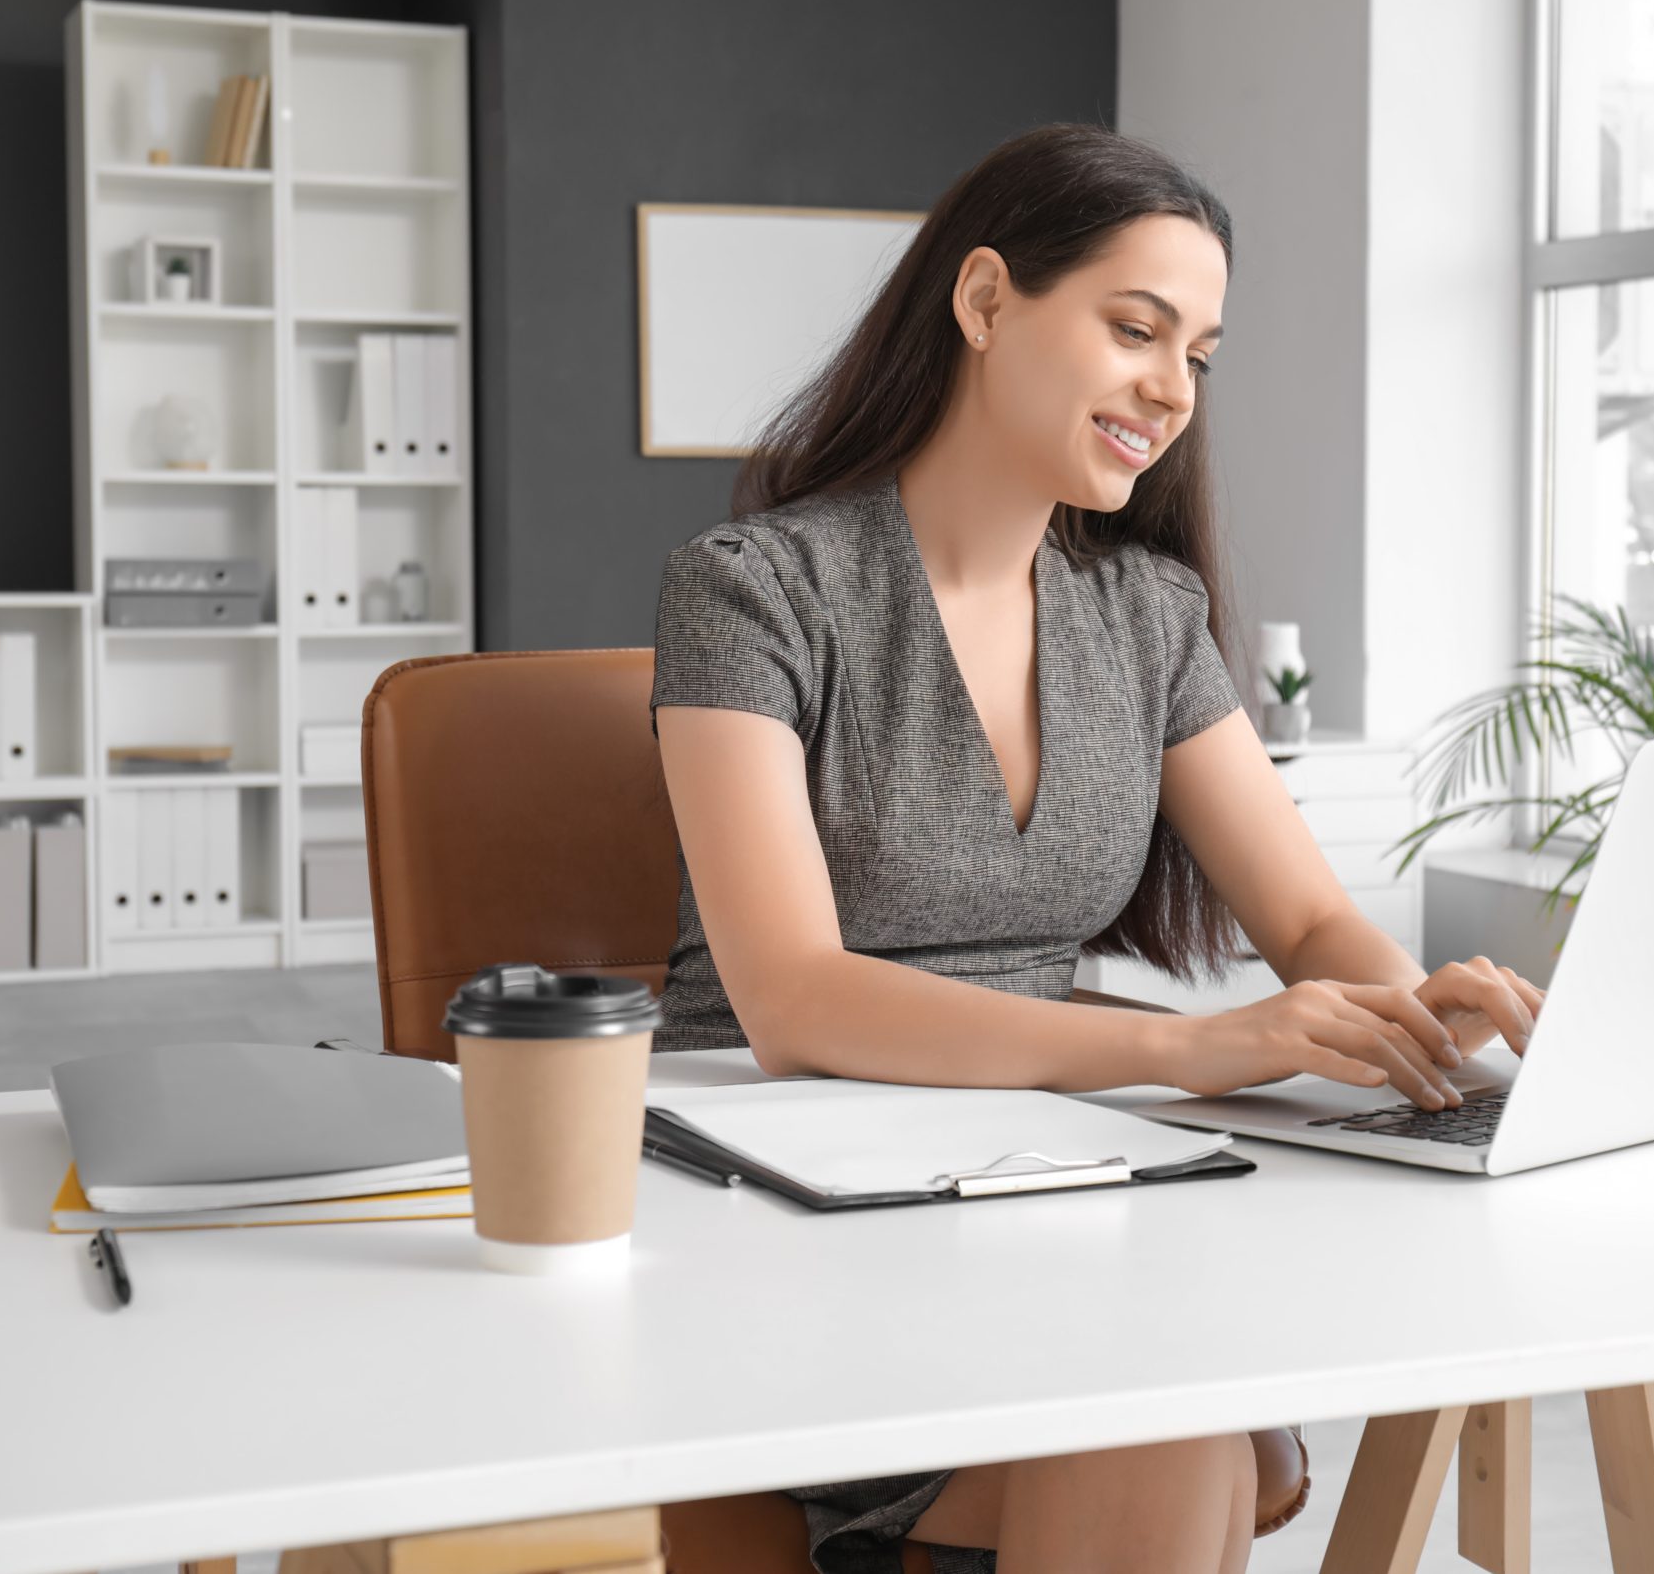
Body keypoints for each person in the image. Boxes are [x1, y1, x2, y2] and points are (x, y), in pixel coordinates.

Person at [650, 123, 1545, 1574]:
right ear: (988, 300)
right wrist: (1185, 1051)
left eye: (1199, 354)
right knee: (1169, 1401)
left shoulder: (1146, 613)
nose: (1171, 390)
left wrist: (1404, 1014)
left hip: (1041, 1176)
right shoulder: (751, 592)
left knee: (1177, 1395)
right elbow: (794, 1002)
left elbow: (1312, 920)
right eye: (1136, 329)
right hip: (769, 1190)